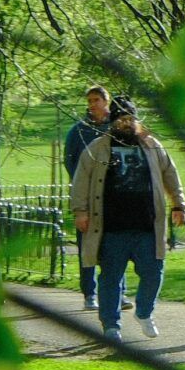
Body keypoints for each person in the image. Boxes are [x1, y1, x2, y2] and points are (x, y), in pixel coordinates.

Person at [70, 99, 185, 341]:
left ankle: (144, 312)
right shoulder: (97, 148)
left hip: (147, 225)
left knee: (154, 273)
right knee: (110, 278)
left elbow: (171, 175)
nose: (126, 124)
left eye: (130, 119)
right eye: (121, 120)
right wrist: (80, 211)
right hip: (111, 227)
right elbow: (81, 181)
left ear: (137, 120)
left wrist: (179, 205)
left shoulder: (152, 145)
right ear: (112, 122)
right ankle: (111, 327)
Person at [64, 84, 113, 309]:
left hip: (112, 195)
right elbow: (70, 160)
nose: (92, 105)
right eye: (90, 101)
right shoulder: (79, 131)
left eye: (96, 100)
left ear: (106, 101)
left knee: (114, 247)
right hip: (87, 195)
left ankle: (115, 292)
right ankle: (89, 293)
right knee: (87, 246)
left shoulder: (115, 127)